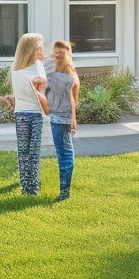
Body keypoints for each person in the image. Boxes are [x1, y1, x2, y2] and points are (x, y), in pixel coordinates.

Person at [11, 32, 48, 195]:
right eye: (40, 48)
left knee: (33, 152)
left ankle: (33, 188)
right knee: (23, 151)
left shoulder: (38, 65)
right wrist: (34, 88)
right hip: (21, 113)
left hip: (35, 113)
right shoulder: (17, 68)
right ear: (31, 49)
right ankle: (26, 187)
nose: (42, 51)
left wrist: (37, 88)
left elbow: (42, 90)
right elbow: (22, 91)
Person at [46, 40, 80, 202]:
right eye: (54, 54)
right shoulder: (67, 73)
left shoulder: (66, 75)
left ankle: (65, 192)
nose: (54, 57)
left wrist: (72, 120)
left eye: (57, 54)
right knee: (65, 153)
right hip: (60, 119)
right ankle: (64, 190)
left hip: (61, 120)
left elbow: (71, 99)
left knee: (65, 155)